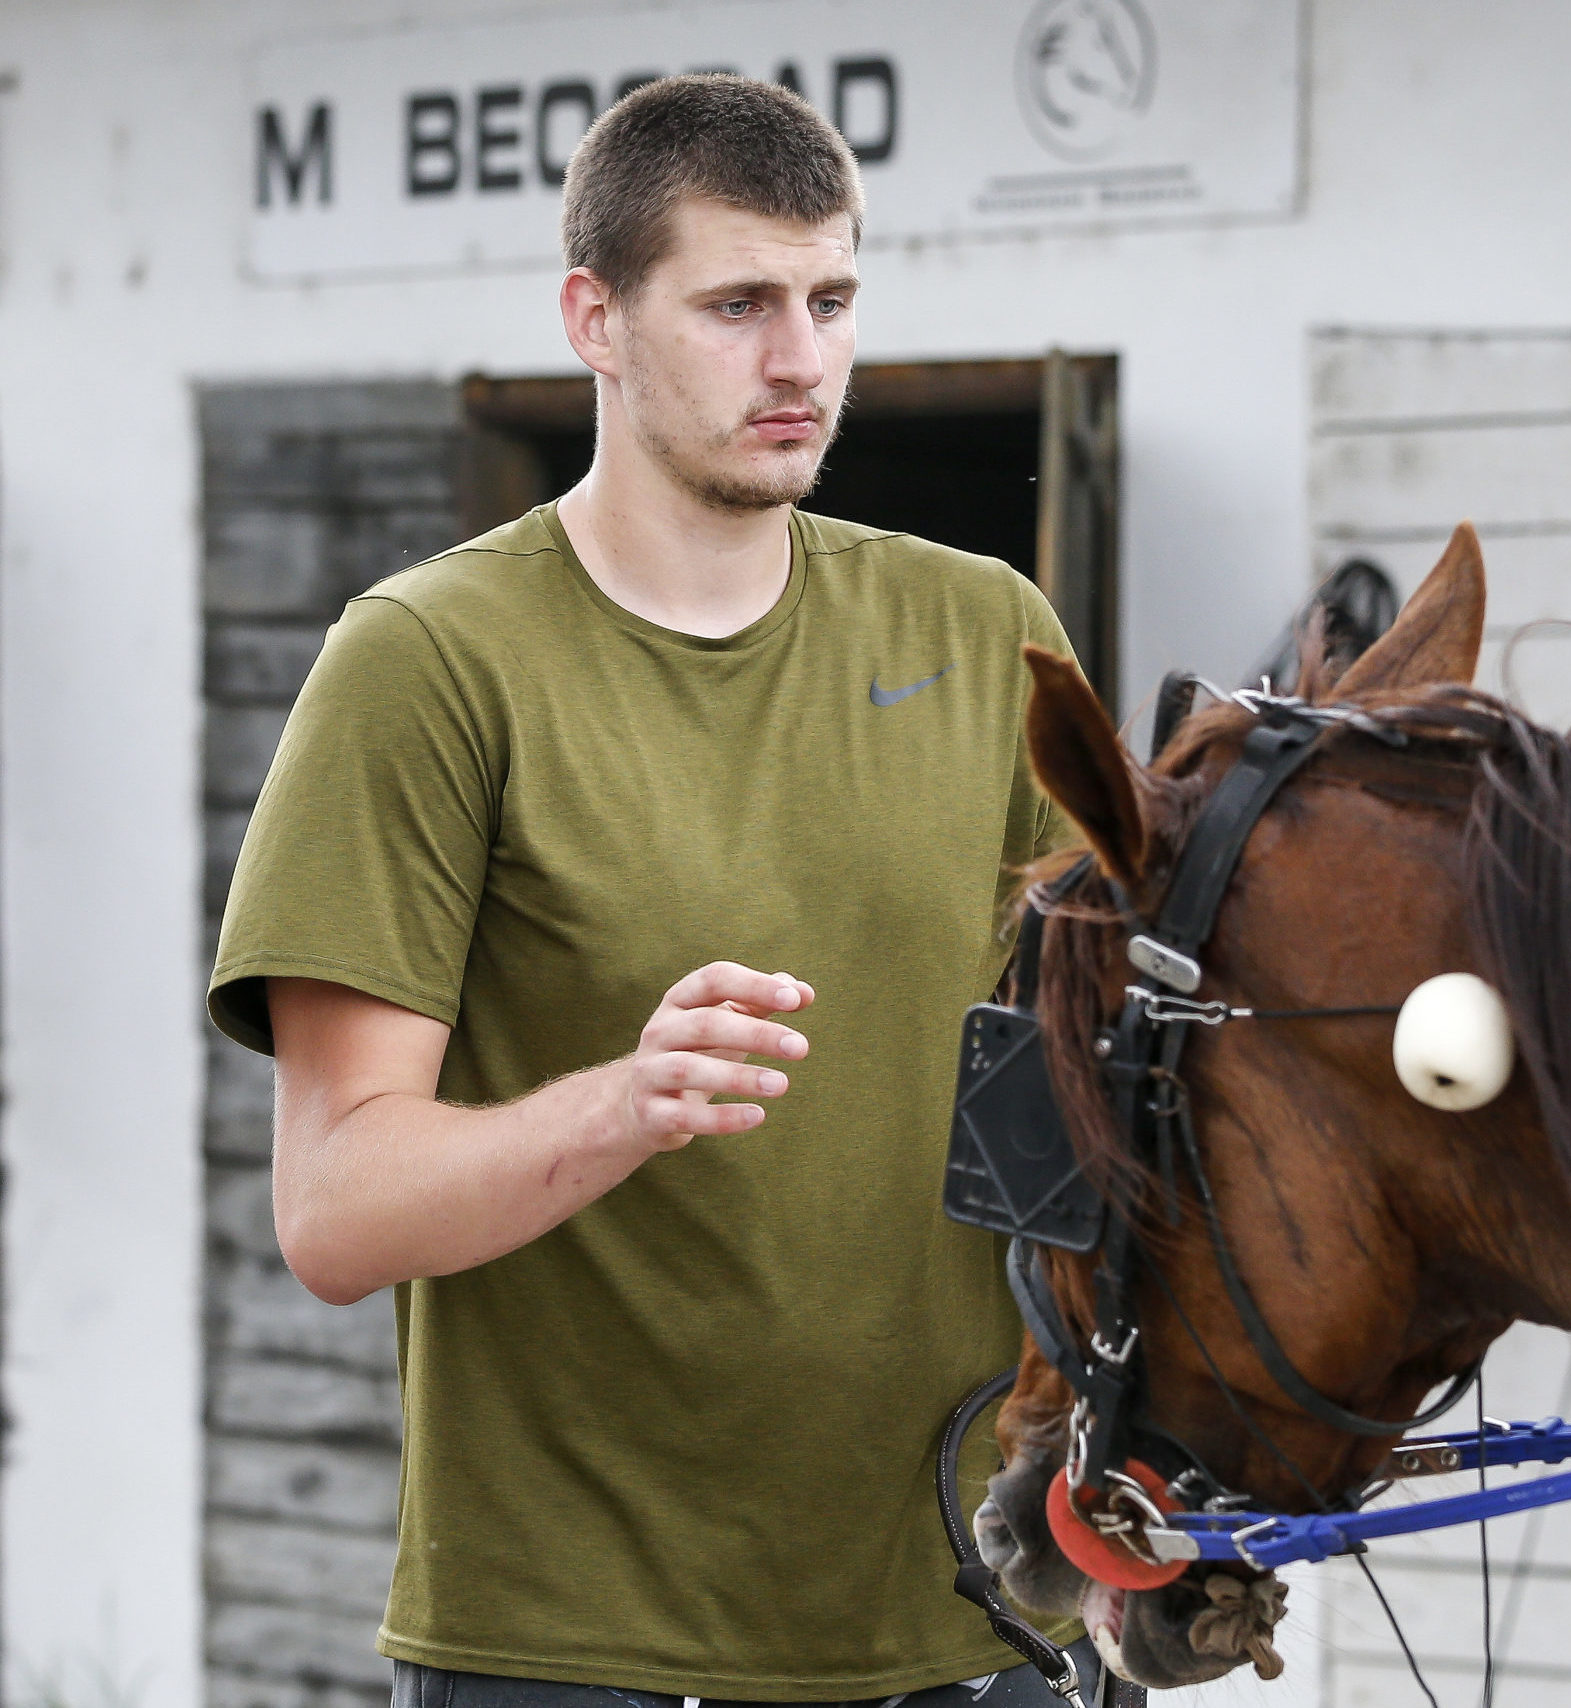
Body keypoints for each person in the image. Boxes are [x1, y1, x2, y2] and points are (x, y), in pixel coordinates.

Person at [210, 74, 1099, 1708]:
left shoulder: (987, 633)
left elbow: (1098, 1101)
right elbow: (335, 1212)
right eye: (738, 304)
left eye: (832, 300)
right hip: (574, 1651)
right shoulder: (427, 662)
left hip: (970, 1627)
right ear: (595, 319)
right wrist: (626, 1101)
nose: (801, 359)